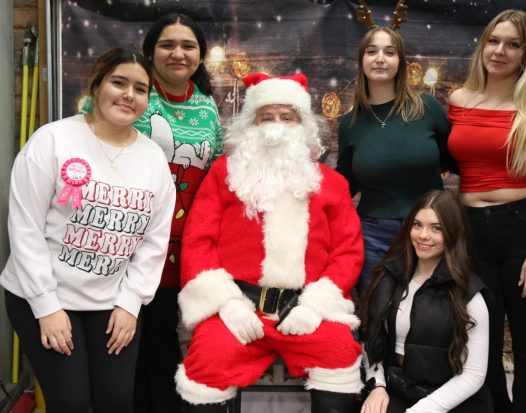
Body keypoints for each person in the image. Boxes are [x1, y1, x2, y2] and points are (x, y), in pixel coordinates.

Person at [176, 72, 364, 412]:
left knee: (339, 354)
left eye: (287, 117)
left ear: (303, 125)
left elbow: (348, 251)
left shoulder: (332, 184)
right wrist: (226, 303)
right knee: (207, 362)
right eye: (267, 117)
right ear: (251, 124)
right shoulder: (223, 173)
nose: (276, 126)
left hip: (305, 311)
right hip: (239, 309)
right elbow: (197, 242)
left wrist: (314, 306)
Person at [1, 48, 175, 413]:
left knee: (115, 402)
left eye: (140, 89)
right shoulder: (52, 141)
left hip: (110, 301)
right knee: (72, 404)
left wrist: (131, 303)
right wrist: (46, 306)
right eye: (118, 82)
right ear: (97, 86)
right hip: (42, 294)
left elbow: (154, 242)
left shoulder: (153, 159)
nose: (129, 94)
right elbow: (25, 228)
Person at [447, 9, 526, 413]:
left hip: (525, 230)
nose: (499, 51)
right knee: (482, 339)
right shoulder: (458, 101)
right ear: (483, 44)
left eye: (512, 44)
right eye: (494, 41)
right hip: (472, 235)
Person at [133, 13, 223, 413]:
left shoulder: (207, 107)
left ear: (200, 55)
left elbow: (217, 171)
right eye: (168, 44)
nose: (178, 53)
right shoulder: (130, 92)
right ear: (151, 50)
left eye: (188, 45)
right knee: (124, 336)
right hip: (126, 239)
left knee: (161, 337)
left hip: (181, 244)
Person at [336, 26, 456, 296]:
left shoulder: (426, 108)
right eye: (372, 51)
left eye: (389, 52)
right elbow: (344, 185)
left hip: (431, 230)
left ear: (400, 62)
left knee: (432, 314)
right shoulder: (350, 123)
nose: (380, 58)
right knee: (377, 315)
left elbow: (458, 162)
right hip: (373, 236)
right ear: (361, 61)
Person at [360, 190, 493, 413]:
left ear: (454, 232)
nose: (423, 235)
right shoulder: (389, 277)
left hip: (453, 400)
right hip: (399, 388)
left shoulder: (470, 295)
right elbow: (371, 342)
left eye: (436, 228)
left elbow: (473, 376)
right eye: (417, 225)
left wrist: (420, 411)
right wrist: (377, 386)